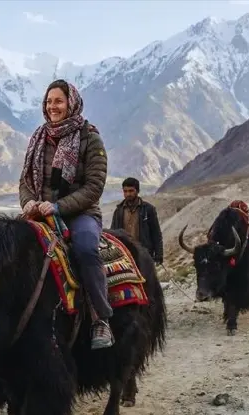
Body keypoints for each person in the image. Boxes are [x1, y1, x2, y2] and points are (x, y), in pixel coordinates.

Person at [19, 79, 114, 350]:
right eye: (49, 102)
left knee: (85, 249)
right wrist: (28, 203)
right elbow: (25, 181)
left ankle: (100, 319)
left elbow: (94, 187)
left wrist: (59, 206)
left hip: (80, 213)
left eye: (58, 101)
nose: (53, 107)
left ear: (71, 103)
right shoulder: (38, 137)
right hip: (41, 212)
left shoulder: (89, 137)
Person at [110, 177, 163, 265]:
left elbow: (156, 234)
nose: (128, 194)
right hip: (124, 255)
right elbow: (113, 233)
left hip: (144, 254)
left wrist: (158, 256)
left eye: (131, 191)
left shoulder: (148, 209)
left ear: (137, 191)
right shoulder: (119, 211)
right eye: (125, 191)